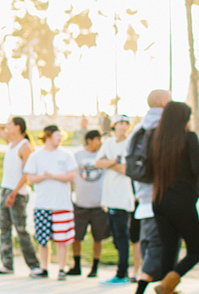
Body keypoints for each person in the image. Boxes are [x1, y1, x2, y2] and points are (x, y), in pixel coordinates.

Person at [149, 101, 199, 294]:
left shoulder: (156, 139)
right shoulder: (189, 137)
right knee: (196, 250)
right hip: (182, 201)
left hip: (159, 200)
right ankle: (166, 287)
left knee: (170, 250)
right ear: (183, 118)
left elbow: (148, 171)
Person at [125, 91, 169, 294]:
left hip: (142, 196)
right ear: (163, 103)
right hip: (159, 196)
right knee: (157, 246)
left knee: (154, 245)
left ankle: (172, 291)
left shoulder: (138, 130)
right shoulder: (164, 128)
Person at [19, 125, 79, 281]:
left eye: (60, 135)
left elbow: (72, 176)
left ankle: (61, 268)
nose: (59, 138)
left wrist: (54, 176)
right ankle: (43, 268)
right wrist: (44, 177)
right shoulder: (36, 156)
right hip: (42, 204)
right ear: (47, 136)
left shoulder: (66, 155)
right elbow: (30, 179)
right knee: (42, 239)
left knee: (62, 240)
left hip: (62, 204)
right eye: (56, 135)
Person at [0, 117, 42, 277]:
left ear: (19, 127)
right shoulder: (11, 142)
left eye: (11, 124)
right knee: (4, 228)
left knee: (21, 229)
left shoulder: (25, 146)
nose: (7, 127)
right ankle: (7, 264)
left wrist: (14, 193)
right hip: (5, 189)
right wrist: (5, 125)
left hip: (17, 193)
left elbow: (27, 174)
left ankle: (34, 265)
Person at [96, 117, 136, 284]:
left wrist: (109, 163)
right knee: (115, 236)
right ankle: (121, 271)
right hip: (109, 197)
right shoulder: (108, 143)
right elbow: (98, 162)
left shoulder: (130, 143)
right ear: (114, 126)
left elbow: (127, 169)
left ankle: (122, 273)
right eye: (121, 123)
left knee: (122, 236)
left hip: (122, 197)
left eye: (126, 123)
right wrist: (113, 162)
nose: (124, 126)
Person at [70, 129, 110, 277]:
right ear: (89, 140)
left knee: (98, 238)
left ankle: (95, 267)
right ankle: (77, 265)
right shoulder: (77, 156)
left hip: (98, 205)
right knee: (76, 237)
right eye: (97, 140)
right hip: (80, 203)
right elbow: (71, 177)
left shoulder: (103, 157)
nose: (100, 143)